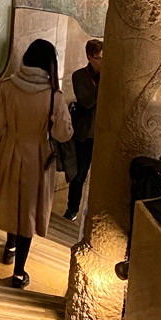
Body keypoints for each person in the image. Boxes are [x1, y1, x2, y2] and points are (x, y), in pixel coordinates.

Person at [0, 38, 73, 289]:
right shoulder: (54, 97)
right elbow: (62, 134)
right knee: (29, 212)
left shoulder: (7, 87)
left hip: (10, 150)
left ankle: (9, 247)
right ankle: (19, 272)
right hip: (37, 156)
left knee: (12, 201)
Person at [65, 38, 103, 222]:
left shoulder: (113, 76)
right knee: (79, 174)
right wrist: (104, 83)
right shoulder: (79, 76)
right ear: (89, 57)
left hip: (104, 135)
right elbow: (85, 101)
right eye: (98, 58)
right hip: (84, 135)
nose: (102, 62)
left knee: (101, 178)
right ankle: (72, 209)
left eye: (104, 58)